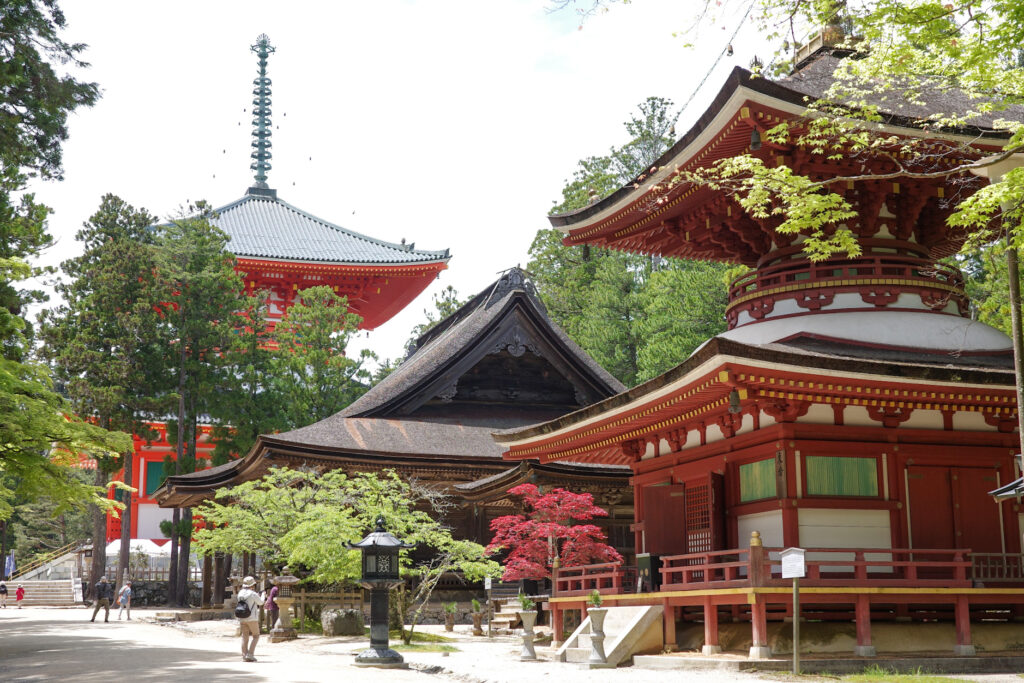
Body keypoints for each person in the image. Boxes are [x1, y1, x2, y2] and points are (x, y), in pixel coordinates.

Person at [236, 576, 264, 662]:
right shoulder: (252, 593)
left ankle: (244, 655)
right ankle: (250, 654)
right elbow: (261, 602)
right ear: (251, 585)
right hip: (252, 618)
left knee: (245, 637)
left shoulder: (240, 593)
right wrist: (263, 595)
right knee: (256, 636)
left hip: (242, 617)